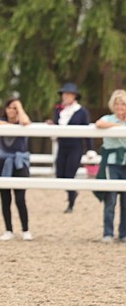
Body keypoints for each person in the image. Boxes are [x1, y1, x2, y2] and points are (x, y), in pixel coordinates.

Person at [0, 97, 32, 241]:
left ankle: (25, 229)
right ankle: (8, 229)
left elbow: (25, 122)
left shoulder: (22, 122)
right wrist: (6, 124)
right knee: (5, 198)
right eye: (9, 107)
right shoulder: (0, 122)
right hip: (3, 162)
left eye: (15, 108)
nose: (12, 110)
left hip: (19, 163)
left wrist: (19, 107)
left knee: (20, 198)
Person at [47, 82, 92, 213]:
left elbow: (87, 131)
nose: (65, 96)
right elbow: (57, 125)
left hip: (75, 146)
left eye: (68, 94)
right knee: (60, 174)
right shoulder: (58, 110)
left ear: (74, 96)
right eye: (64, 94)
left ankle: (71, 204)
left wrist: (90, 148)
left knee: (69, 174)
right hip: (62, 145)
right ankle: (73, 193)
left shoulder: (82, 111)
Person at [95, 89, 126, 243]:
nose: (120, 106)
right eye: (117, 103)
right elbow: (99, 123)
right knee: (111, 200)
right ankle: (108, 232)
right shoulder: (108, 118)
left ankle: (124, 233)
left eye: (123, 103)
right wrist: (117, 125)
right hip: (112, 163)